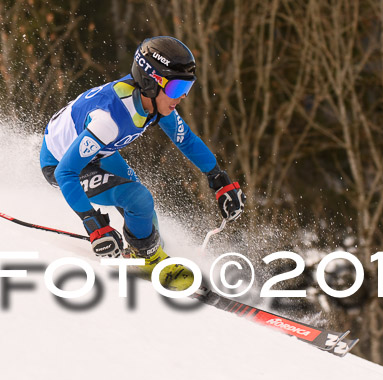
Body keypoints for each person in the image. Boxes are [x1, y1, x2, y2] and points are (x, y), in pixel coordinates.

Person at [39, 36, 245, 290]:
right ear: (150, 82)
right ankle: (145, 257)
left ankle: (150, 250)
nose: (180, 98)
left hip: (97, 153)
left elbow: (187, 140)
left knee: (137, 197)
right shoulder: (110, 120)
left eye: (186, 89)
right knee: (138, 198)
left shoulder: (155, 103)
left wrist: (219, 180)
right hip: (62, 162)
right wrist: (94, 227)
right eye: (176, 89)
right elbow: (65, 172)